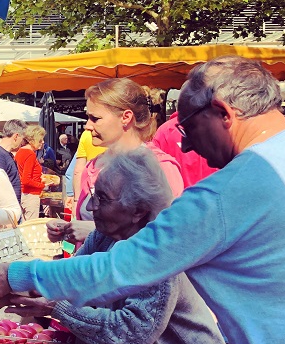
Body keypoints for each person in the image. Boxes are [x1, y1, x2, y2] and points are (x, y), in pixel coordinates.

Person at [0, 56, 285, 344]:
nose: (185, 145)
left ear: (221, 112)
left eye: (186, 127)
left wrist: (17, 275)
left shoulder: (229, 191)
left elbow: (123, 267)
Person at [2, 149, 236, 344]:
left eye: (103, 199)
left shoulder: (158, 255)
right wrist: (19, 285)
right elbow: (73, 285)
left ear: (138, 211)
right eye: (94, 196)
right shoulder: (103, 237)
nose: (91, 207)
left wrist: (55, 306)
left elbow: (131, 331)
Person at [47, 78, 183, 248]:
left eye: (95, 118)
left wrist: (94, 232)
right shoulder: (93, 165)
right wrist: (66, 231)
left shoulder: (159, 167)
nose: (87, 126)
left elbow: (170, 237)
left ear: (126, 117)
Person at [150, 112, 217, 187]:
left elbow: (154, 175)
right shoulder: (219, 128)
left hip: (178, 196)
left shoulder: (164, 132)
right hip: (213, 195)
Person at [14, 124, 52, 220]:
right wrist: (43, 185)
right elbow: (26, 180)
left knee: (24, 226)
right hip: (30, 195)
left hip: (23, 194)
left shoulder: (20, 151)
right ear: (32, 140)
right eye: (40, 140)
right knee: (30, 227)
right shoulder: (30, 154)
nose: (42, 142)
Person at [0, 120, 25, 205]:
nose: (22, 143)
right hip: (6, 208)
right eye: (23, 139)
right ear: (16, 136)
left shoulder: (4, 154)